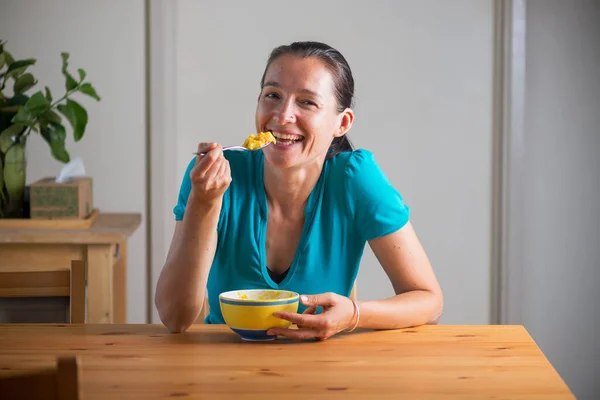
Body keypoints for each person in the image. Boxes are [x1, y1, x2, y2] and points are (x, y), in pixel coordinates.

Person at [155, 41, 443, 340]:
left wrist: (354, 314)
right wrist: (204, 203)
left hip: (323, 372)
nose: (282, 115)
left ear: (341, 123)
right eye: (273, 95)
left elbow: (429, 301)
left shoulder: (354, 179)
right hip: (224, 365)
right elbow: (175, 317)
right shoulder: (212, 178)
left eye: (307, 102)